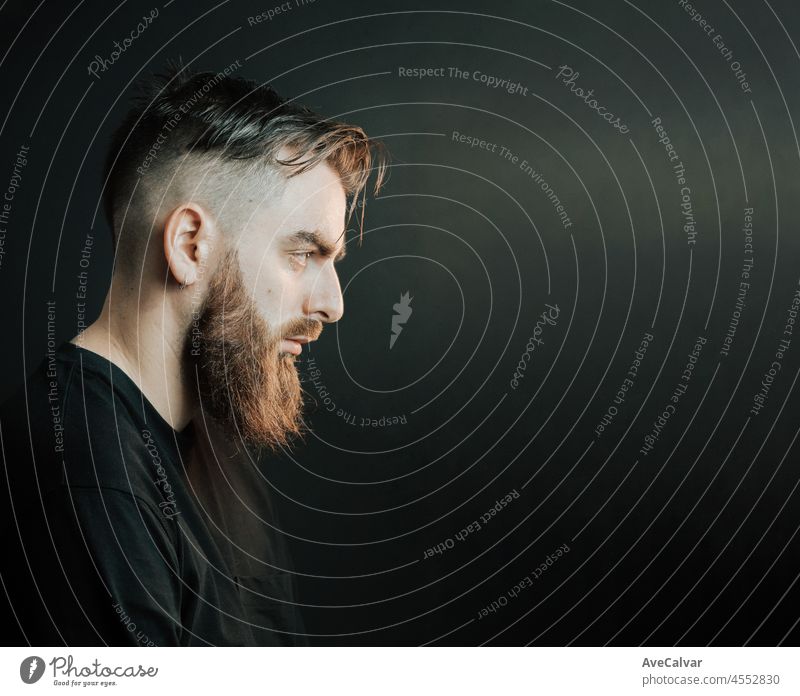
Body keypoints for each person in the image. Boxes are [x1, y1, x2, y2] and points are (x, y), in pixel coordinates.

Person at [0, 60, 387, 646]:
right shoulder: (89, 475)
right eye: (303, 253)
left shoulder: (210, 449)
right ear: (190, 246)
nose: (332, 304)